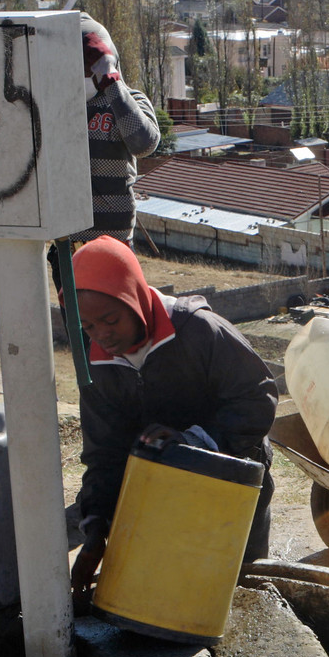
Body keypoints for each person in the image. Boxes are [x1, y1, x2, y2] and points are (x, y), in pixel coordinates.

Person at [69, 236, 277, 598]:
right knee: (175, 597)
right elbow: (104, 454)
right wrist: (97, 526)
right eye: (88, 326)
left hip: (232, 484)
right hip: (163, 499)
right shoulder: (100, 366)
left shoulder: (198, 331)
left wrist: (196, 442)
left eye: (110, 319)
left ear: (133, 297)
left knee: (240, 593)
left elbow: (258, 397)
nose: (102, 335)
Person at [73, 16, 162, 242]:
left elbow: (144, 144)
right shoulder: (57, 105)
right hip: (69, 238)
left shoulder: (128, 100)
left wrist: (112, 82)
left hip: (115, 238)